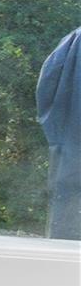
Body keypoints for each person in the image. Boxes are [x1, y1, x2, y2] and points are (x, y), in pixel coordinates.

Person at [38, 27, 81, 241]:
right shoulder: (74, 41)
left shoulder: (73, 40)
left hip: (71, 155)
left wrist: (59, 140)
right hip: (71, 151)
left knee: (66, 239)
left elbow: (46, 92)